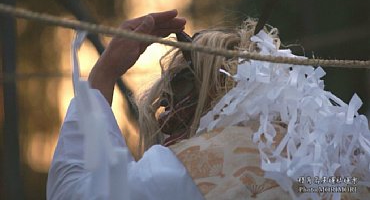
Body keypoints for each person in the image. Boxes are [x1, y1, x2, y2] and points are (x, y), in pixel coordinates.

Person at [48, 10, 370, 200]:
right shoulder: (338, 162)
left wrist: (103, 75)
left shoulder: (193, 166)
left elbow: (74, 194)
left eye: (167, 107)